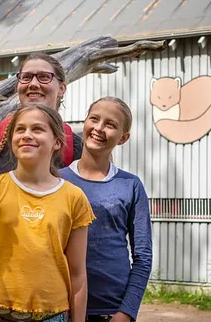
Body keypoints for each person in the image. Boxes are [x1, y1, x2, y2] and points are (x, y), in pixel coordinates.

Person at [0, 103, 95, 322]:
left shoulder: (74, 198)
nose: (26, 135)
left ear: (57, 142)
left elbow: (78, 274)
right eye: (20, 129)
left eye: (37, 129)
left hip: (53, 314)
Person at [60, 97, 153, 322]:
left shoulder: (130, 185)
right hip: (60, 307)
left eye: (110, 124)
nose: (99, 128)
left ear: (123, 138)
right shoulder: (57, 181)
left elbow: (143, 256)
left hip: (111, 310)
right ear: (84, 122)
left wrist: (126, 312)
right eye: (94, 119)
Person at [0, 53, 82, 175]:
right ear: (17, 86)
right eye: (26, 77)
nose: (33, 84)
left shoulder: (74, 145)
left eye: (44, 77)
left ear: (61, 88)